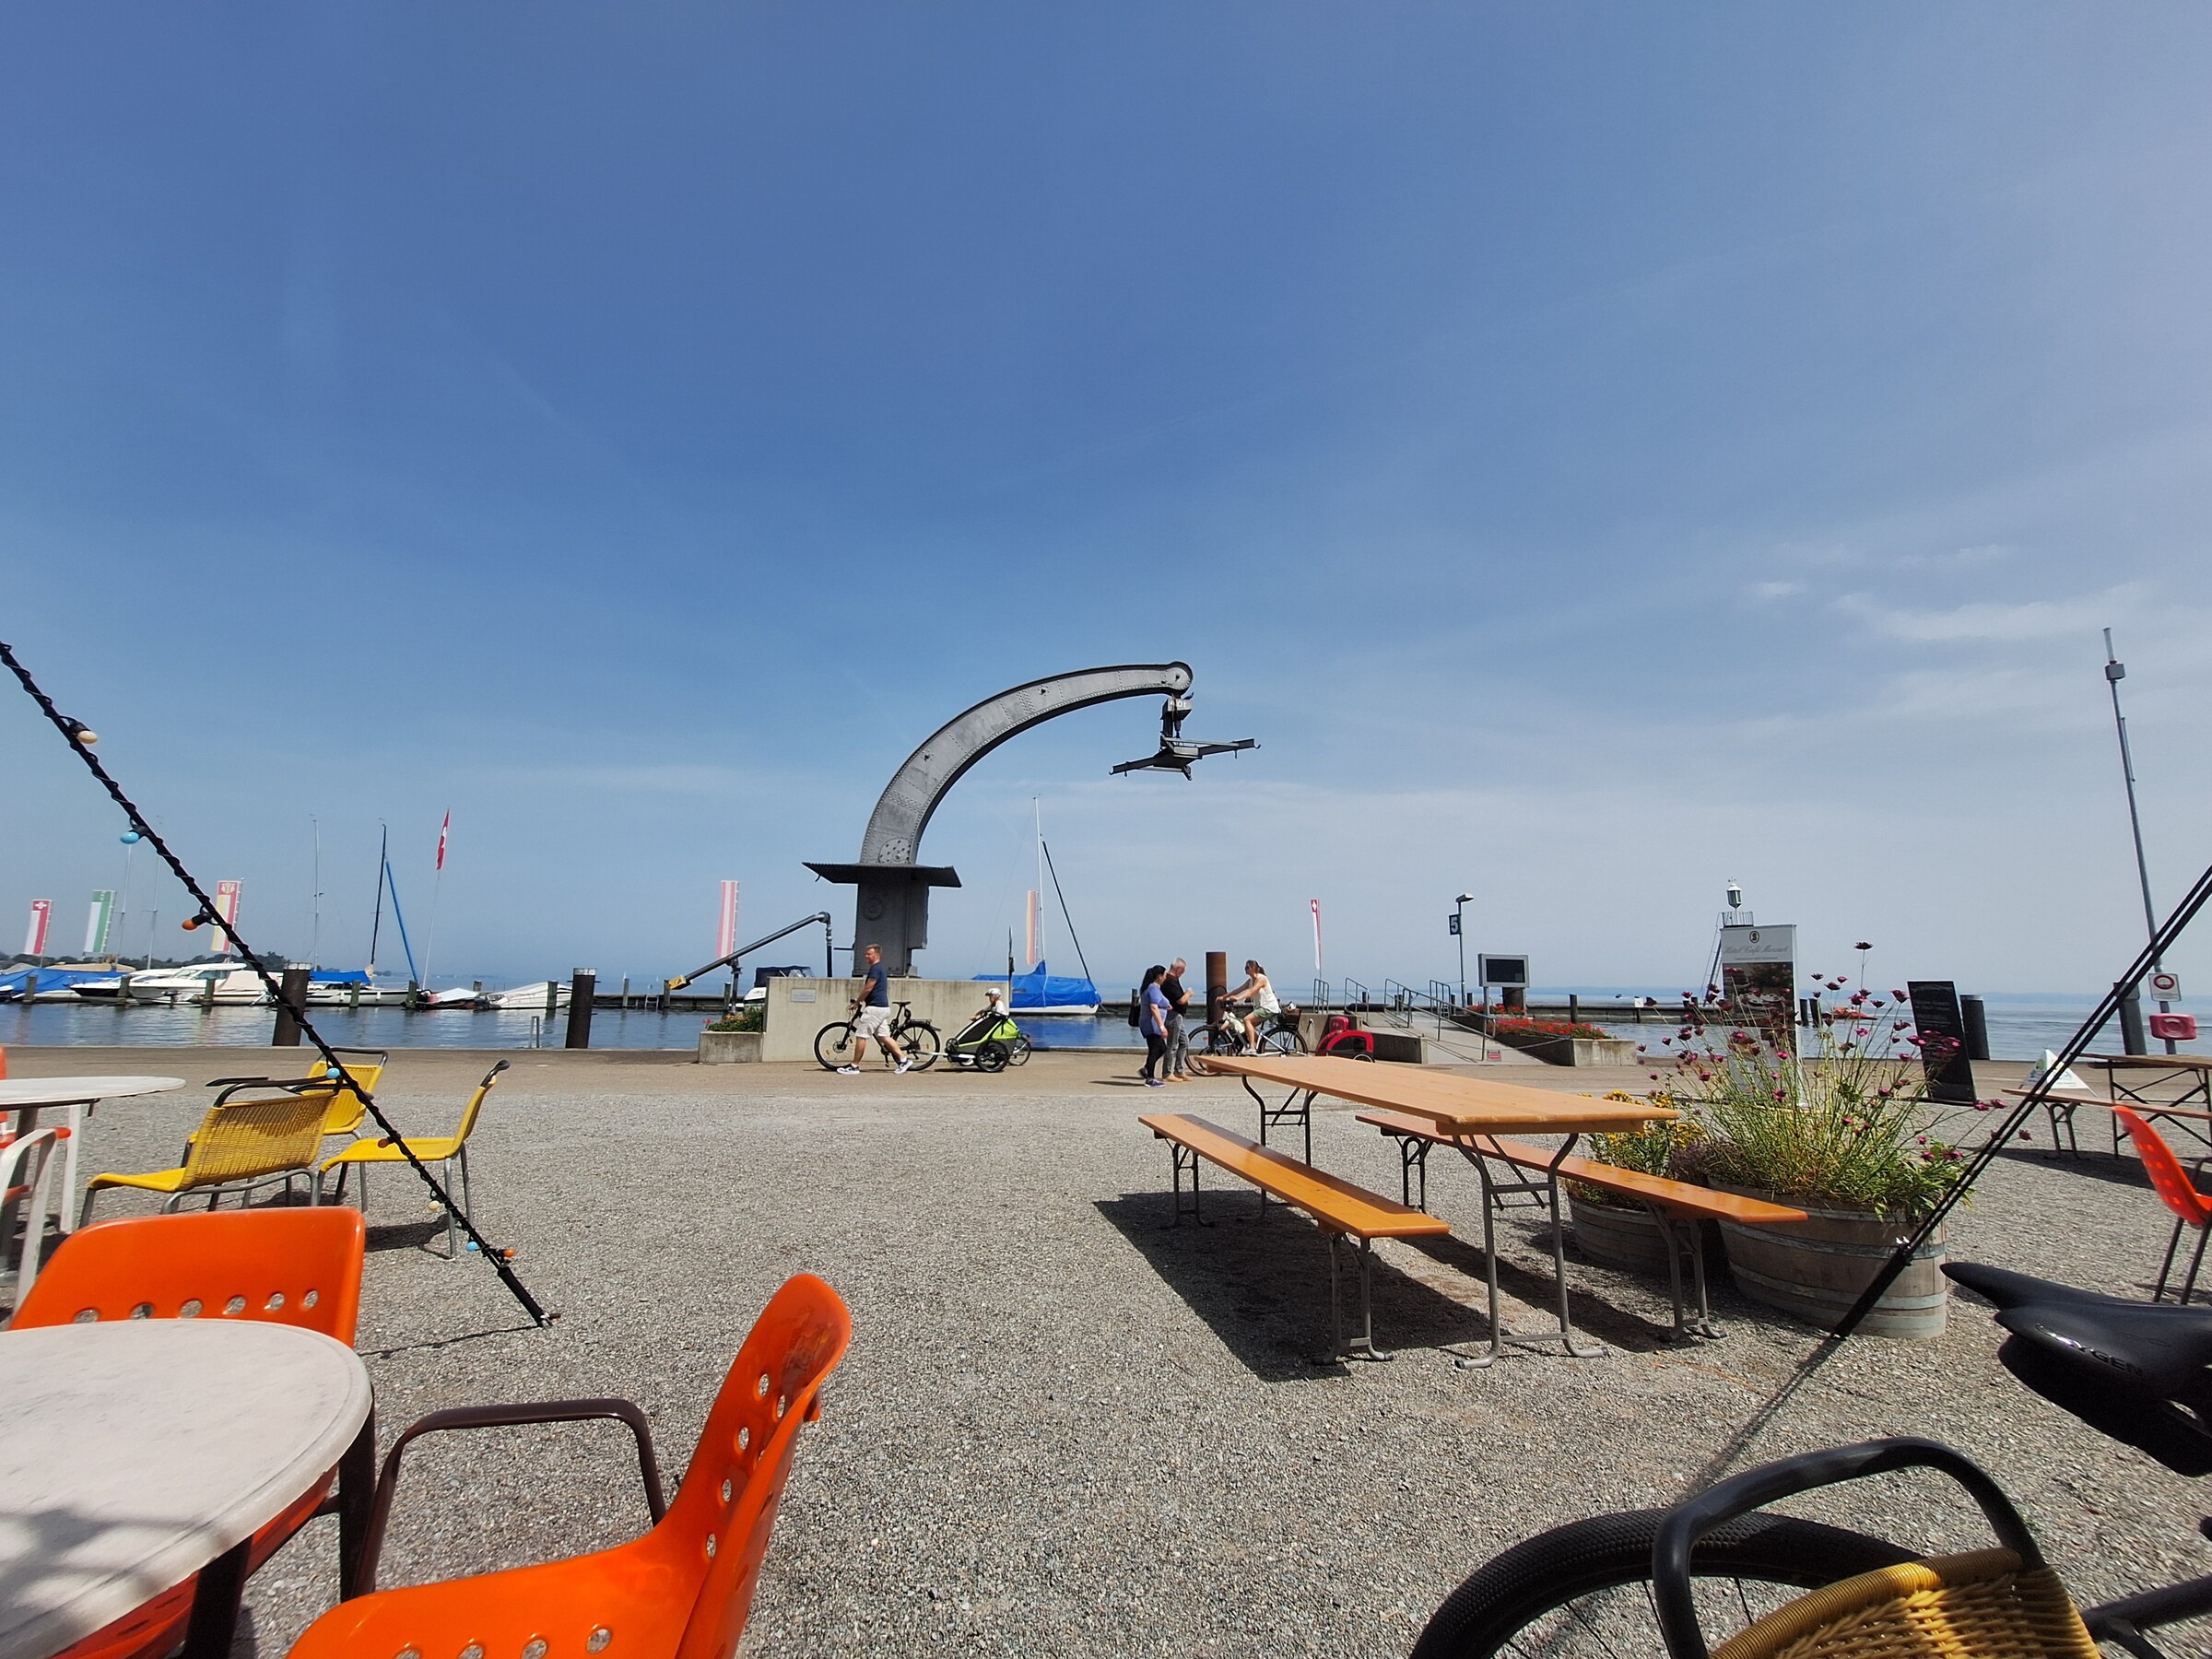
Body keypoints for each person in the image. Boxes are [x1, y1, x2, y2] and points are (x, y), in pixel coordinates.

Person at [837, 944, 909, 1076]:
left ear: (877, 955)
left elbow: (868, 988)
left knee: (861, 1036)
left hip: (875, 1008)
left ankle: (854, 1066)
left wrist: (857, 1002)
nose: (866, 956)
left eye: (869, 954)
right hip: (882, 1007)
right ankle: (904, 1060)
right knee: (883, 1036)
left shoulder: (875, 969)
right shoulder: (879, 969)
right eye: (866, 954)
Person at [1224, 959, 1280, 1052]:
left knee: (1247, 1020)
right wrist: (1223, 997)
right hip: (1261, 1008)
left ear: (1253, 968)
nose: (1245, 969)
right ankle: (1259, 1045)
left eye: (1247, 967)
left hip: (1268, 1007)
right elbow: (1237, 990)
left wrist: (1238, 998)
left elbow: (1251, 992)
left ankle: (1252, 1047)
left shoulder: (1261, 979)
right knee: (1248, 1027)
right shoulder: (1250, 981)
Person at [1137, 964, 1172, 1086]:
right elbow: (1153, 1007)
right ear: (1159, 976)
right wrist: (1162, 1026)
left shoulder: (1154, 988)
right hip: (1152, 1025)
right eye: (1164, 975)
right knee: (1154, 1050)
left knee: (1162, 1048)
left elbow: (1158, 1003)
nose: (1165, 977)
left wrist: (1166, 1006)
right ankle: (1150, 1078)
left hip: (1151, 1024)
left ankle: (1146, 1069)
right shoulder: (1153, 988)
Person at [1161, 957, 1193, 1080]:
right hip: (1173, 1015)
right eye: (1183, 971)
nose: (1182, 973)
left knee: (1184, 1042)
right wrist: (1188, 993)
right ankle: (1167, 1073)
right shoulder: (1170, 981)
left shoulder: (1172, 980)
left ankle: (1179, 1070)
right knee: (1172, 1045)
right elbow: (1180, 1000)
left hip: (1178, 1016)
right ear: (1178, 969)